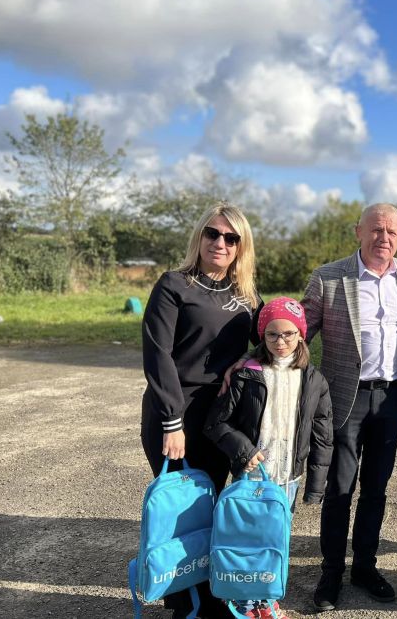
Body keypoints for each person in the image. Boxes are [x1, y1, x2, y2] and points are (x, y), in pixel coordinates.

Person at [302, 203, 397, 611]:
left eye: (392, 233)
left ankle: (364, 567)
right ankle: (331, 572)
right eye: (377, 230)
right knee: (339, 489)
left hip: (391, 399)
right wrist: (265, 362)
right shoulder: (329, 277)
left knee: (376, 489)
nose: (384, 238)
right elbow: (301, 333)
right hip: (343, 400)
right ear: (359, 232)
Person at [141, 202, 261, 619]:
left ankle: (210, 597)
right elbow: (158, 357)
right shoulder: (174, 285)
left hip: (221, 420)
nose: (220, 243)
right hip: (177, 415)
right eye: (213, 233)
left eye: (231, 238)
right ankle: (184, 605)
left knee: (214, 512)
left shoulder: (247, 296)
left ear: (241, 246)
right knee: (183, 515)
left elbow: (267, 344)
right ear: (200, 236)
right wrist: (172, 422)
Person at [204, 296, 333, 619]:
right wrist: (244, 451)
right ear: (262, 335)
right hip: (251, 476)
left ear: (301, 334)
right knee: (248, 540)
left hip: (288, 478)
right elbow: (215, 423)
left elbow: (323, 435)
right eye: (273, 334)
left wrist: (315, 486)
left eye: (289, 333)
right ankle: (245, 602)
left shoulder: (314, 379)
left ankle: (267, 598)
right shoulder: (246, 373)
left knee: (276, 539)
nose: (281, 341)